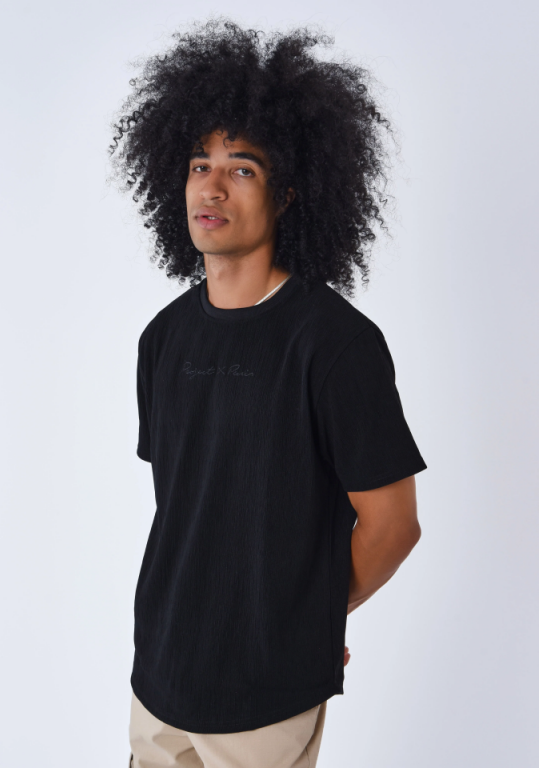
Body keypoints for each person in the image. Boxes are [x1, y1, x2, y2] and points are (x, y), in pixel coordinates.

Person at [108, 19, 427, 768]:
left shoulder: (336, 345)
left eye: (241, 169)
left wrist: (305, 620)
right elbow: (186, 508)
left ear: (287, 195)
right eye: (199, 164)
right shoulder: (162, 338)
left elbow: (394, 526)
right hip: (159, 675)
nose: (211, 186)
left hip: (263, 694)